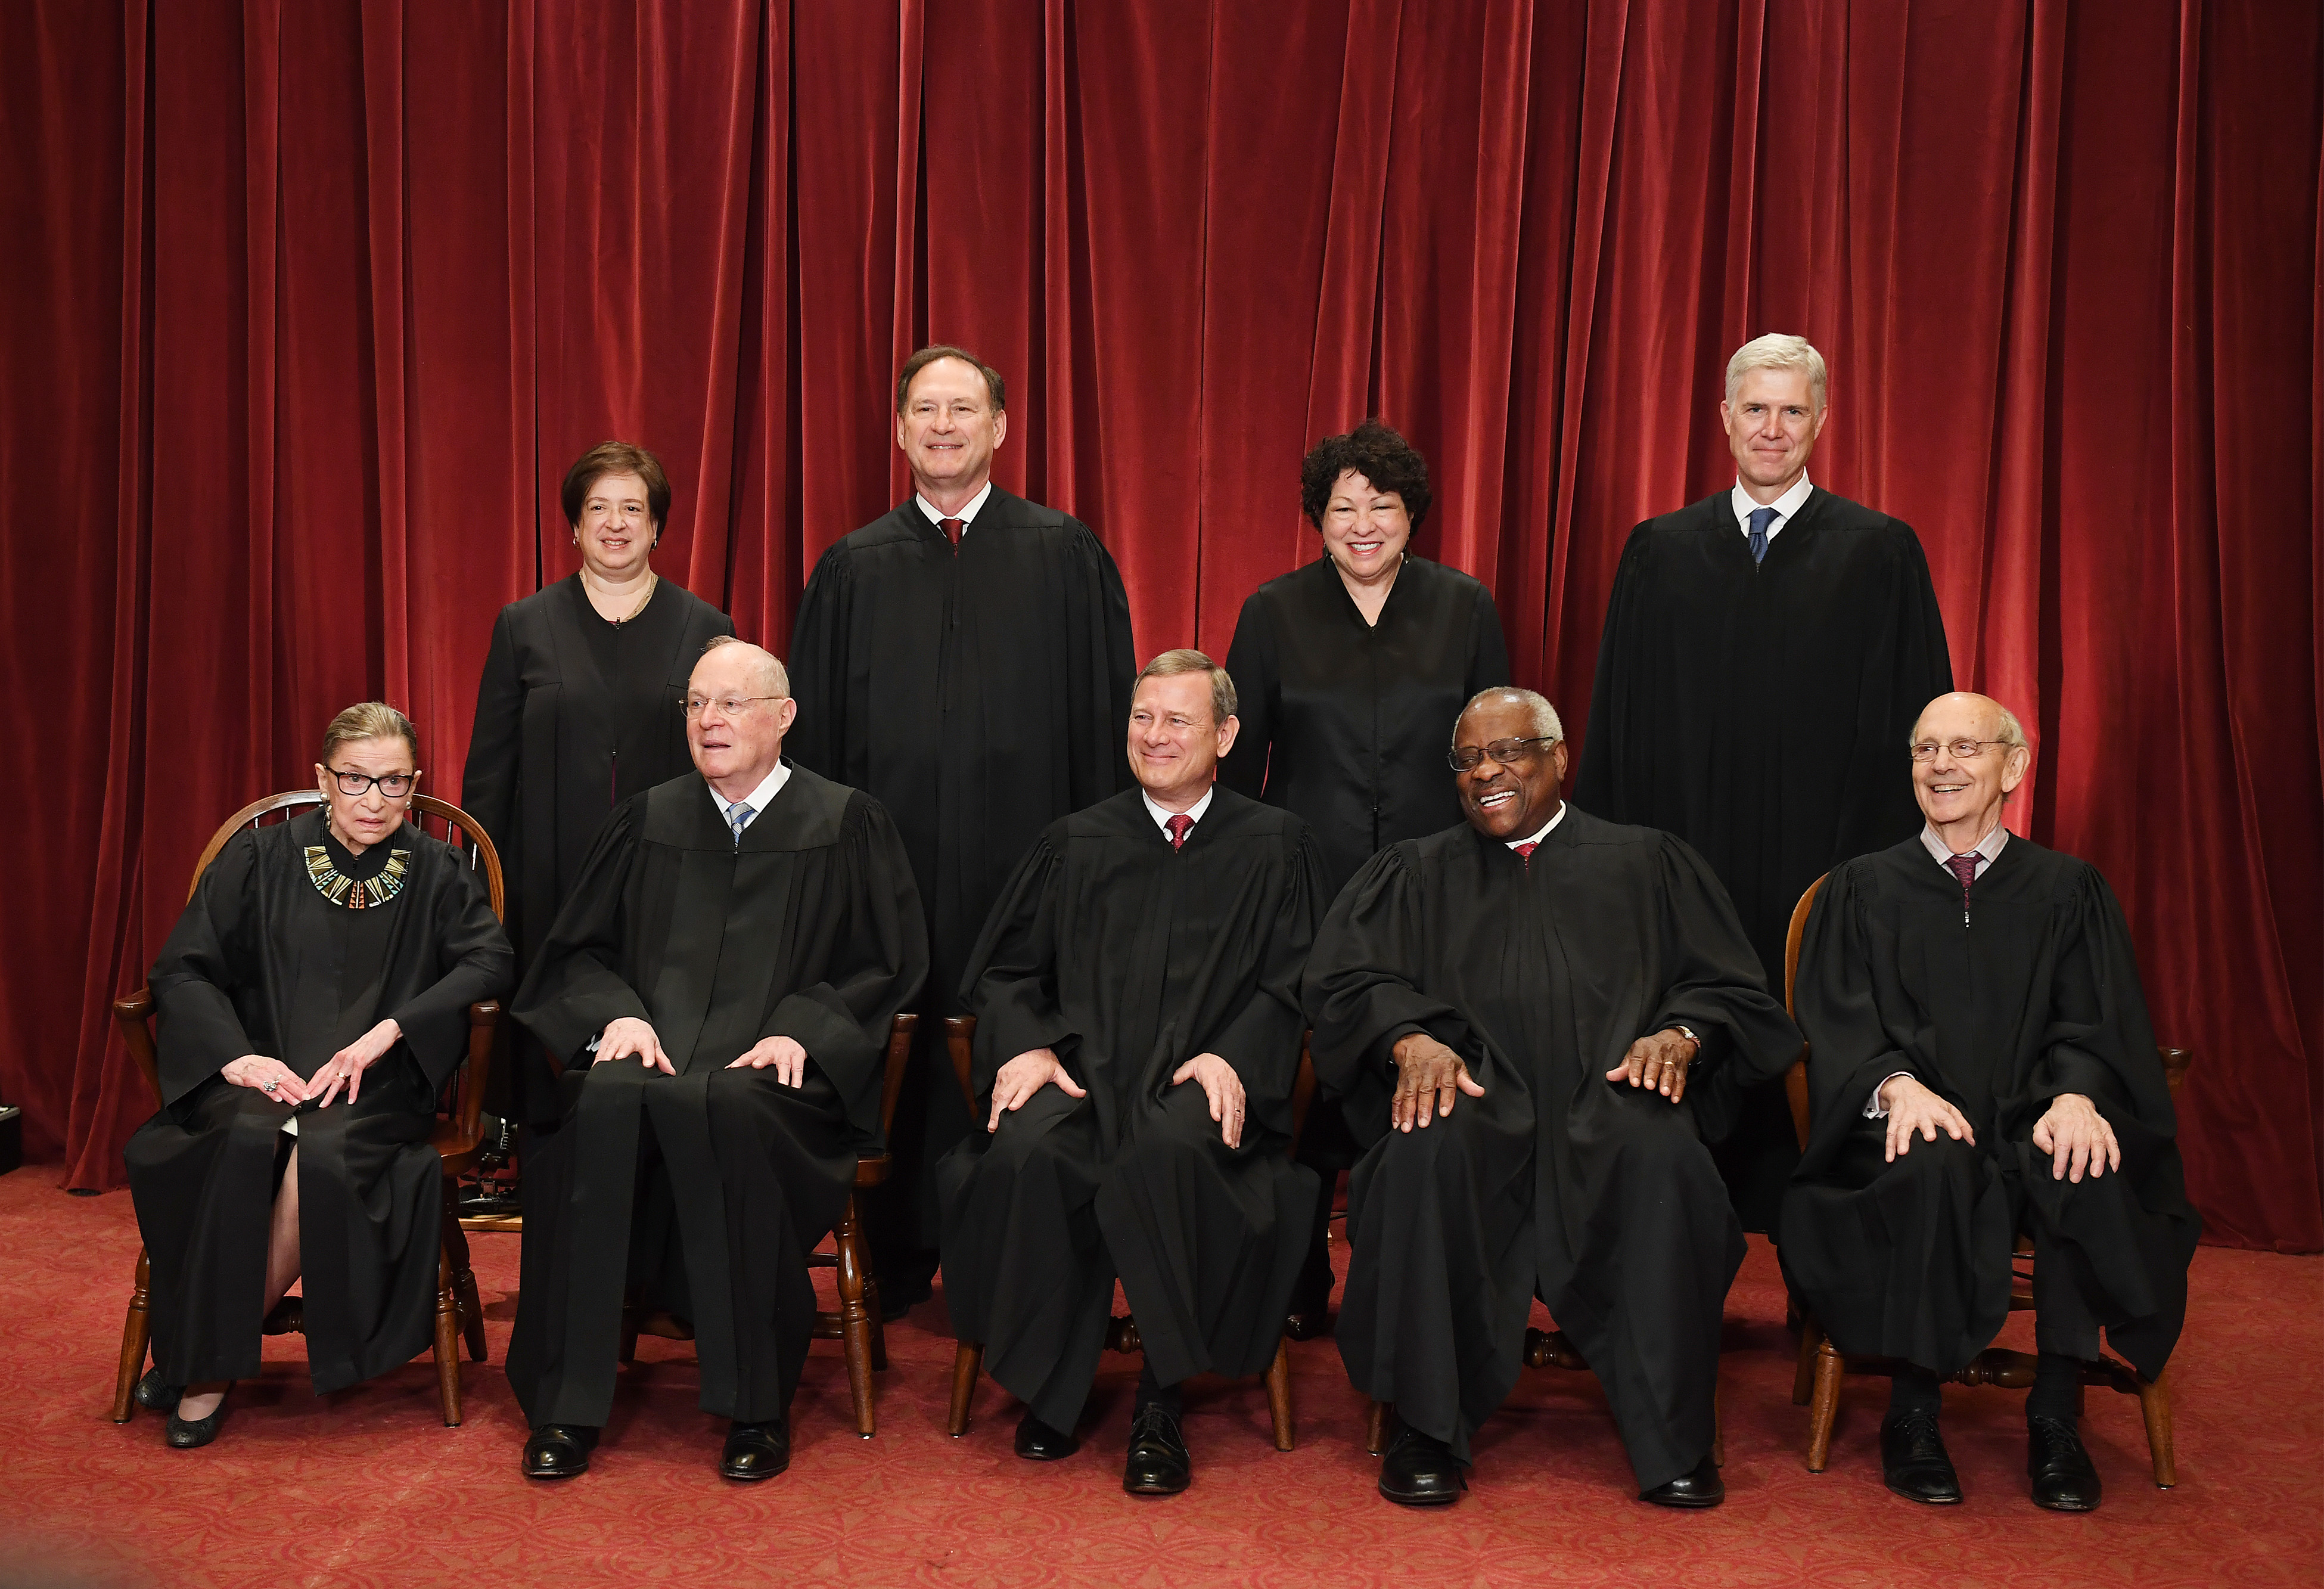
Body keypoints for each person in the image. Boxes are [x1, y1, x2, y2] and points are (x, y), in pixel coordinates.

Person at [1305, 688, 1801, 1509]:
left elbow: (1732, 991)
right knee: (1425, 1149)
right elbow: (1344, 984)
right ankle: (1425, 1427)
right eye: (1468, 759)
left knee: (1663, 1155)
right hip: (1468, 1100)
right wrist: (1406, 1037)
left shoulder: (1648, 862)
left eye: (1510, 751)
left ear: (1561, 756)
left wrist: (1680, 1036)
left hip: (1612, 1103)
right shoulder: (1413, 872)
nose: (1487, 772)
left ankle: (1673, 1437)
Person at [506, 638, 925, 1483]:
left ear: (784, 715)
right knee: (600, 1102)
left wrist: (806, 1027)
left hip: (775, 1077)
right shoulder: (648, 820)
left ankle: (756, 1405)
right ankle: (567, 1404)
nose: (710, 720)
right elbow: (573, 953)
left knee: (735, 1109)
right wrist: (617, 1014)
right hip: (655, 1054)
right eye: (697, 703)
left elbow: (890, 962)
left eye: (731, 703)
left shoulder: (846, 822)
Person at [1779, 692, 2200, 1512]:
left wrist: (2078, 1093)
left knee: (2079, 1152)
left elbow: (2097, 1019)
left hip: (2031, 1117)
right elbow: (1837, 1024)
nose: (1943, 765)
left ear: (2013, 766)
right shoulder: (1861, 890)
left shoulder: (2069, 890)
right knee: (1927, 1152)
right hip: (1905, 1124)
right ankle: (1913, 1409)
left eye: (1966, 747)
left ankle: (2056, 1410)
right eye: (1926, 749)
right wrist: (1895, 1087)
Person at [1573, 334, 1952, 1230]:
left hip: (1821, 872)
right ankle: (1675, 1259)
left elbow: (1921, 732)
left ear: (1821, 420)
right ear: (1725, 421)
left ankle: (1817, 1271)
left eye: (1792, 410)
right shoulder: (1657, 552)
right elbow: (1617, 730)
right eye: (1756, 409)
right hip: (1685, 873)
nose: (1772, 429)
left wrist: (1875, 879)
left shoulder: (1880, 552)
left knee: (1817, 1063)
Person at [787, 345, 1136, 1313]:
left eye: (964, 409)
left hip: (1030, 871)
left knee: (1019, 1035)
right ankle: (896, 1258)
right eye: (926, 410)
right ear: (899, 430)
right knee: (896, 1048)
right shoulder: (851, 570)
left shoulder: (1064, 554)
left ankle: (1018, 1261)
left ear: (1001, 427)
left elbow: (1112, 730)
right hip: (885, 875)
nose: (944, 426)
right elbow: (810, 749)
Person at [939, 651, 1325, 1496]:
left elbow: (1297, 983)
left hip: (1203, 1078)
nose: (1154, 736)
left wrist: (1235, 1053)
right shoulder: (1075, 841)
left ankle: (1161, 1397)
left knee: (1173, 1153)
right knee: (1030, 1152)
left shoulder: (1276, 845)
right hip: (1085, 1074)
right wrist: (1028, 1046)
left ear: (1224, 734)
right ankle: (1050, 1384)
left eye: (1178, 721)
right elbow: (1005, 973)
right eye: (1143, 717)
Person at [123, 703, 514, 1448]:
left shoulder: (437, 871)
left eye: (395, 782)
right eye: (356, 779)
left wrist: (388, 1032)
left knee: (323, 1150)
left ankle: (197, 1364)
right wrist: (234, 1055)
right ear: (322, 779)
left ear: (415, 781)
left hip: (379, 1082)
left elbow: (491, 961)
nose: (375, 800)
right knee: (244, 1136)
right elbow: (183, 968)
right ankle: (203, 1351)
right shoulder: (260, 858)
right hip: (261, 1072)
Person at [1220, 419, 1509, 1332]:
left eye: (1380, 505)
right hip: (1308, 880)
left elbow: (1495, 756)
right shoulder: (1272, 612)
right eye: (1342, 507)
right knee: (1301, 1090)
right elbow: (1240, 766)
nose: (1362, 524)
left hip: (1440, 886)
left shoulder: (1465, 606)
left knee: (1424, 1071)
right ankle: (1296, 1279)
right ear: (1317, 518)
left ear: (1412, 514)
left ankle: (1412, 1281)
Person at [462, 442, 734, 1128]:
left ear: (657, 526)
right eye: (598, 509)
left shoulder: (706, 627)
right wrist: (483, 885)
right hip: (545, 865)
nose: (616, 524)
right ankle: (528, 1139)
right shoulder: (525, 624)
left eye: (633, 509)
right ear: (575, 526)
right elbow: (491, 770)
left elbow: (728, 756)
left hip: (669, 868)